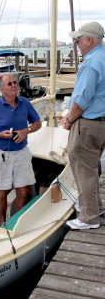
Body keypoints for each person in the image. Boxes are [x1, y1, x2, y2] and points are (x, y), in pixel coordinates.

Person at [0, 73, 41, 224]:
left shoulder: (25, 102)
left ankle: (17, 221)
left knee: (21, 192)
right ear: (1, 89)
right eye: (9, 84)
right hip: (1, 155)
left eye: (14, 82)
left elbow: (37, 123)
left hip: (22, 153)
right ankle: (2, 222)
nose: (14, 85)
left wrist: (26, 130)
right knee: (2, 193)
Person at [63, 22, 105, 230]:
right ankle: (95, 207)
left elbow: (81, 100)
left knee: (83, 170)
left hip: (88, 124)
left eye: (78, 40)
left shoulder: (91, 63)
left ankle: (89, 218)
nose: (77, 44)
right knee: (91, 168)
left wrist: (69, 120)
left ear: (88, 40)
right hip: (102, 123)